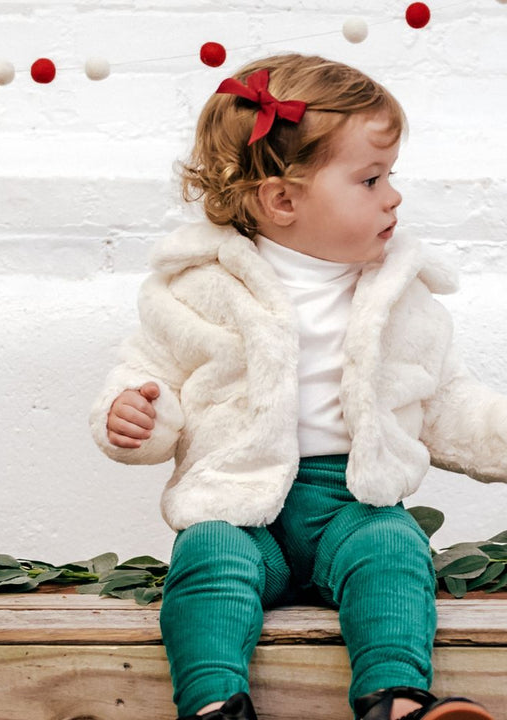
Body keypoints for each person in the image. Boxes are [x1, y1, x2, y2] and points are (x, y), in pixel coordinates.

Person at [90, 52, 504, 720]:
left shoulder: (400, 298)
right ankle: (214, 703)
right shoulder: (197, 290)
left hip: (350, 502)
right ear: (282, 199)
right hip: (238, 504)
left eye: (389, 176)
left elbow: (446, 402)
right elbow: (149, 374)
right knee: (206, 560)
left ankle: (396, 700)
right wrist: (138, 415)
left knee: (396, 550)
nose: (393, 196)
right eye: (370, 179)